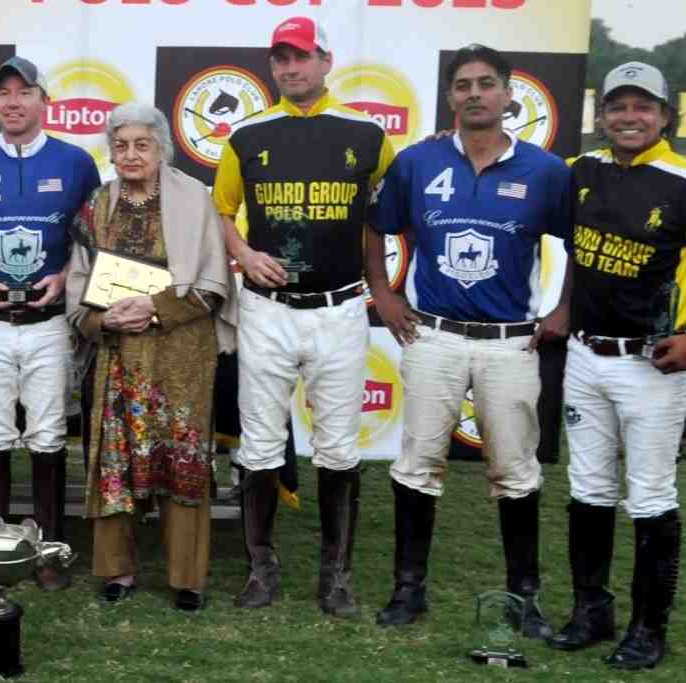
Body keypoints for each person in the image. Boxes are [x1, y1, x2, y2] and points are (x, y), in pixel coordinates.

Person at [367, 44, 572, 636]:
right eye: (463, 85)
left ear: (509, 95)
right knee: (418, 464)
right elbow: (377, 225)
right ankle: (409, 591)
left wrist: (566, 306)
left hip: (512, 344)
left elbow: (581, 244)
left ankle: (523, 598)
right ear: (451, 97)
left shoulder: (546, 170)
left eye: (487, 84)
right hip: (434, 337)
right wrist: (382, 291)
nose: (475, 94)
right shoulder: (416, 162)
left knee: (516, 469)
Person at [212, 16, 394, 616]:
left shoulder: (368, 136)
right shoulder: (247, 134)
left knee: (339, 447)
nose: (290, 68)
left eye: (300, 57)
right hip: (267, 311)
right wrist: (241, 252)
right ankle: (261, 569)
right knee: (260, 445)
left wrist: (382, 289)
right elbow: (220, 213)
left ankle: (336, 576)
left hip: (339, 308)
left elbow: (380, 221)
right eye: (280, 59)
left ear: (325, 60)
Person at [66, 102, 237, 612]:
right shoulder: (97, 204)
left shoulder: (194, 201)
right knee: (114, 459)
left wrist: (156, 308)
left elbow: (212, 284)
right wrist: (101, 321)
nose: (131, 154)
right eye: (121, 145)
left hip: (182, 353)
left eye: (142, 144)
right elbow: (78, 282)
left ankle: (188, 579)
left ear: (162, 147)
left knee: (182, 457)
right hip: (119, 354)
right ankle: (117, 571)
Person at [0, 56, 101, 591]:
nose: (12, 101)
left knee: (49, 436)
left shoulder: (76, 162)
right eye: (2, 92)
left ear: (43, 99)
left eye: (23, 91)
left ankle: (49, 550)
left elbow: (93, 241)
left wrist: (64, 278)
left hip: (50, 323)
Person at [547, 61, 685, 670]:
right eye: (618, 106)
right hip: (585, 352)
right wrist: (563, 304)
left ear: (666, 116)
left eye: (643, 107)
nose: (630, 117)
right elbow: (578, 253)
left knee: (651, 495)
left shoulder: (681, 179)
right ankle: (590, 612)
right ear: (601, 114)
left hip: (651, 361)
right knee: (589, 488)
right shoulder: (584, 171)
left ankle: (649, 630)